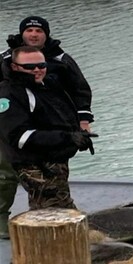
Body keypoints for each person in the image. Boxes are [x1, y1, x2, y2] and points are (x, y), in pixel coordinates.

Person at [0, 16, 94, 239]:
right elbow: (19, 136)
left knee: (55, 197)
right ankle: (3, 218)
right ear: (14, 66)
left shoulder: (56, 67)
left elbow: (79, 90)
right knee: (5, 175)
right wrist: (66, 137)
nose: (37, 70)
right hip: (20, 136)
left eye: (38, 30)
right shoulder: (10, 78)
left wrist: (81, 125)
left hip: (51, 141)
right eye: (29, 30)